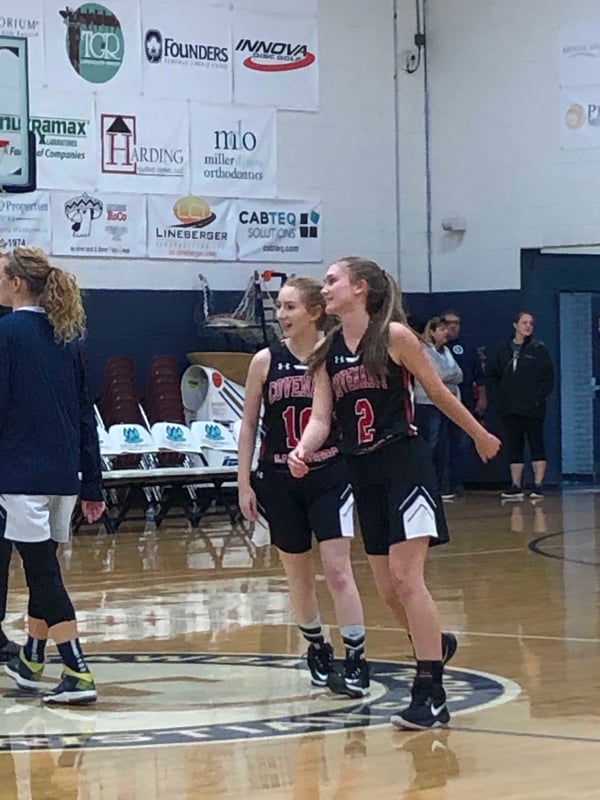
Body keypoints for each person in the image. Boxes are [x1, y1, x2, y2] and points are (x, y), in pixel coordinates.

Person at [288, 257, 500, 730]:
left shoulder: (396, 337)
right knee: (387, 590)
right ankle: (435, 645)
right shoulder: (325, 352)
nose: (325, 289)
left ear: (360, 289)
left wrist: (479, 433)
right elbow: (321, 418)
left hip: (404, 464)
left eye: (332, 280)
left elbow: (439, 394)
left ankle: (431, 692)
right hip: (362, 472)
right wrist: (301, 450)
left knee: (406, 579)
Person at [237, 277, 369, 697]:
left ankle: (356, 657)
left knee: (336, 569)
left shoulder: (333, 358)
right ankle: (317, 648)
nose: (281, 315)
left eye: (290, 307)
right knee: (298, 576)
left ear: (314, 312)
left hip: (328, 473)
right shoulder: (264, 361)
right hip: (277, 477)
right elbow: (249, 425)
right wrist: (243, 482)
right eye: (279, 307)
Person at [0, 246, 105, 705]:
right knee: (46, 568)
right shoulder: (68, 338)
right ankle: (31, 659)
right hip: (64, 474)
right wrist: (93, 482)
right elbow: (87, 415)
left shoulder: (6, 335)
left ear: (17, 283)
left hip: (21, 476)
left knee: (42, 574)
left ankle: (77, 670)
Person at [490, 311, 554, 499]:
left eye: (531, 323)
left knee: (536, 444)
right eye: (524, 322)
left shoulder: (538, 349)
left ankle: (538, 484)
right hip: (510, 407)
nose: (528, 326)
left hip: (533, 408)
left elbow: (547, 378)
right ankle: (516, 484)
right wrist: (499, 398)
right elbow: (493, 375)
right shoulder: (503, 350)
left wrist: (537, 398)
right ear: (515, 325)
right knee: (514, 445)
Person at [439, 310, 488, 496]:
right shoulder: (435, 348)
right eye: (449, 323)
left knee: (461, 444)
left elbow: (479, 375)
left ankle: (457, 483)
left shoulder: (467, 347)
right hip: (441, 402)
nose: (453, 326)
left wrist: (482, 398)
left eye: (457, 323)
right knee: (440, 444)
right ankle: (441, 485)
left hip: (464, 401)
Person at [414, 317, 463, 499]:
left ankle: (443, 486)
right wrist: (449, 376)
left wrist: (449, 376)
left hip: (447, 404)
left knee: (444, 447)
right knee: (431, 445)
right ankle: (427, 485)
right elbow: (438, 375)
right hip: (428, 404)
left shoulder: (447, 351)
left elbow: (460, 374)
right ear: (432, 332)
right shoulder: (425, 351)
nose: (446, 332)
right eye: (441, 329)